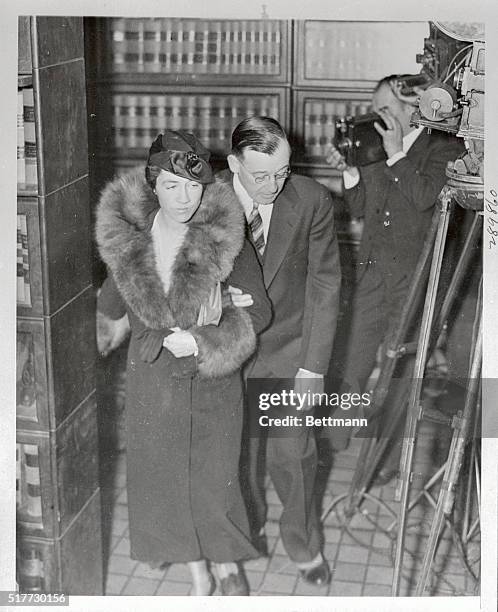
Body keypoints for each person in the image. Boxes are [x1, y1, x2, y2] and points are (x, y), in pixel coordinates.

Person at [95, 130, 272, 596]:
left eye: (193, 186)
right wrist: (103, 331)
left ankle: (226, 557)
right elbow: (113, 302)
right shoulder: (127, 241)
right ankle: (198, 574)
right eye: (172, 185)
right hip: (153, 380)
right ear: (152, 185)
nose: (184, 198)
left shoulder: (223, 239)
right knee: (165, 480)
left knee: (215, 480)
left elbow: (260, 311)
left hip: (211, 379)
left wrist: (204, 340)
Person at [219, 116, 341, 586]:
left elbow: (325, 285)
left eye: (283, 172)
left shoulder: (310, 200)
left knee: (294, 457)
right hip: (228, 353)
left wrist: (314, 366)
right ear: (234, 164)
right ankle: (242, 536)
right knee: (235, 456)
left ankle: (303, 545)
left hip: (291, 352)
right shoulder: (207, 201)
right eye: (261, 175)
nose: (274, 185)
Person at [326, 75, 465, 475]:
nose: (376, 119)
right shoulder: (378, 144)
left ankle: (382, 461)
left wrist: (394, 156)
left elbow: (424, 198)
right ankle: (337, 438)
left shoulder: (443, 150)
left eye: (384, 110)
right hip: (372, 275)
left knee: (399, 372)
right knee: (354, 357)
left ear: (413, 110)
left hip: (414, 286)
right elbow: (359, 207)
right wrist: (352, 172)